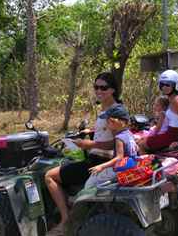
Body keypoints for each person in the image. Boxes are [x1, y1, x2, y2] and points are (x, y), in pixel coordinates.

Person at [45, 72, 123, 235]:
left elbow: (118, 141)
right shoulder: (107, 109)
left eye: (103, 87)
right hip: (96, 158)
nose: (99, 91)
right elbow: (107, 132)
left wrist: (90, 144)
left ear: (113, 90)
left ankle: (65, 220)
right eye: (96, 87)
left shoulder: (114, 112)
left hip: (98, 162)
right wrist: (91, 131)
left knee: (49, 176)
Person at [138, 69, 178, 152]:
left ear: (175, 85)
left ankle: (146, 164)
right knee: (142, 140)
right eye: (162, 84)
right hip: (171, 133)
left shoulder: (177, 101)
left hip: (175, 135)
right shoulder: (171, 98)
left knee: (142, 144)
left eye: (168, 84)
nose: (164, 87)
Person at [84, 104, 138, 189]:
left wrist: (101, 166)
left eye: (108, 121)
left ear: (115, 122)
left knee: (91, 181)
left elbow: (119, 158)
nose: (107, 124)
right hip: (131, 167)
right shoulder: (129, 134)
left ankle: (85, 199)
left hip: (120, 169)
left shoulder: (119, 138)